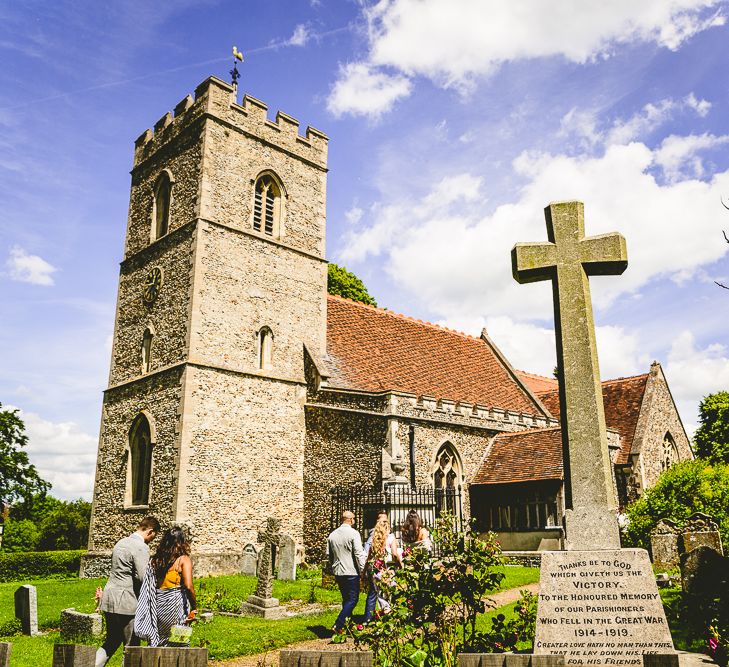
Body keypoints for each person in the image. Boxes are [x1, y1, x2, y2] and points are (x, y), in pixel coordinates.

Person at [95, 515, 160, 667]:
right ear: (150, 531)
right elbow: (143, 577)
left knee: (112, 640)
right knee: (132, 646)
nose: (152, 540)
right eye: (153, 536)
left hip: (110, 596)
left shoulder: (121, 542)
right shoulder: (141, 546)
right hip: (126, 601)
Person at [134, 527, 198, 647]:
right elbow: (189, 586)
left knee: (160, 641)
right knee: (179, 643)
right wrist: (194, 608)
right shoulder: (183, 559)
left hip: (158, 606)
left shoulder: (155, 561)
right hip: (175, 607)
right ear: (182, 542)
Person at [327, 510, 366, 633]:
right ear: (350, 519)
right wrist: (363, 570)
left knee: (346, 599)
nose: (354, 521)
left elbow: (329, 555)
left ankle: (345, 626)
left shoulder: (332, 535)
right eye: (354, 518)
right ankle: (338, 624)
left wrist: (334, 567)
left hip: (338, 571)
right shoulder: (354, 534)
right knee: (353, 599)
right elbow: (359, 554)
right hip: (351, 571)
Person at [363, 513, 400, 622]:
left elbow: (369, 556)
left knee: (379, 595)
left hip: (375, 569)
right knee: (390, 594)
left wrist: (364, 571)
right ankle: (390, 618)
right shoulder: (391, 537)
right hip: (387, 569)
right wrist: (400, 563)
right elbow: (394, 553)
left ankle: (373, 619)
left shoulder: (374, 537)